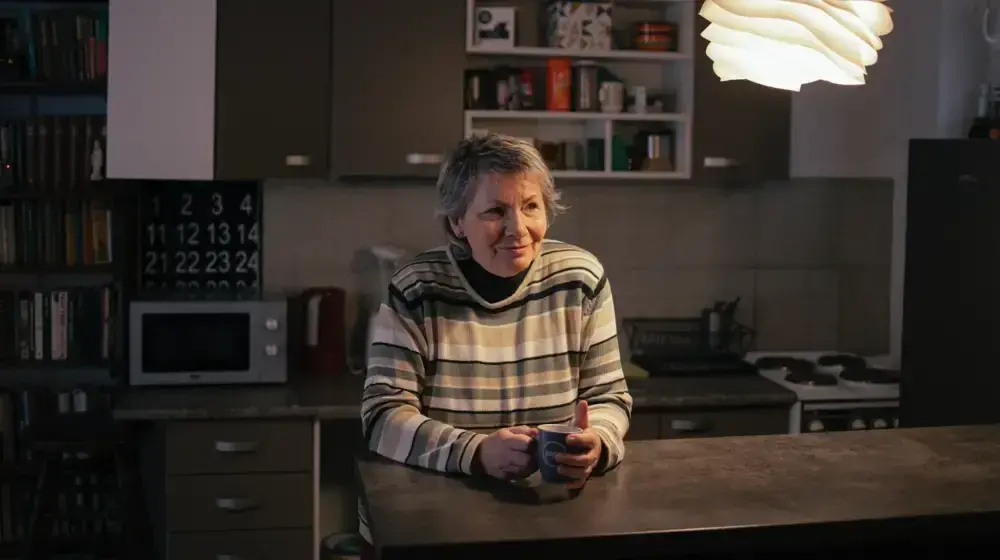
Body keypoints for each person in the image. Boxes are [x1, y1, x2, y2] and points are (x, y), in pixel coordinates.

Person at [358, 132, 632, 550]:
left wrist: (597, 442)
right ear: (456, 222)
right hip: (437, 523)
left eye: (530, 207)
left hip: (555, 519)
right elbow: (382, 416)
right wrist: (478, 452)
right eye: (494, 211)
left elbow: (610, 397)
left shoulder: (580, 278)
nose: (517, 230)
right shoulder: (417, 288)